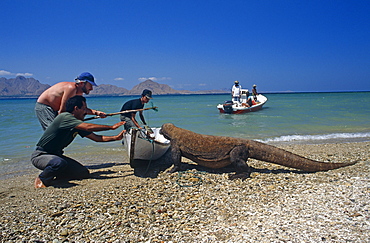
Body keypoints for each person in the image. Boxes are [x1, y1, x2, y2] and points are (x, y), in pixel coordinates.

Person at [31, 95, 125, 188]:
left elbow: (96, 138)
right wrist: (111, 127)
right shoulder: (64, 117)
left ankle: (57, 175)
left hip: (57, 155)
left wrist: (115, 138)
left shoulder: (77, 124)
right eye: (84, 109)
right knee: (58, 163)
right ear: (76, 108)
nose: (86, 112)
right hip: (41, 155)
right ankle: (42, 178)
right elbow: (88, 127)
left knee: (82, 173)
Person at [35, 72, 106, 130]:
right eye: (90, 85)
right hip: (45, 107)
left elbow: (82, 109)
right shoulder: (71, 89)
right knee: (52, 131)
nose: (91, 89)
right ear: (82, 83)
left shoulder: (78, 92)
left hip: (54, 110)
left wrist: (97, 113)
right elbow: (62, 111)